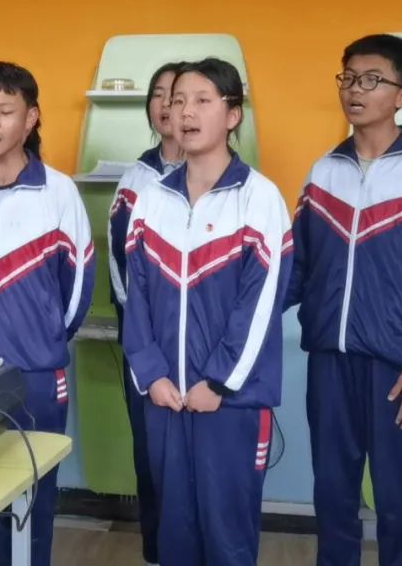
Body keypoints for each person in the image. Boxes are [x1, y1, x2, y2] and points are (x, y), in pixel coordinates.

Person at [287, 34, 402, 566]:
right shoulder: (324, 171)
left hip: (396, 364)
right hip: (329, 360)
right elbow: (297, 266)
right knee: (332, 491)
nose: (354, 90)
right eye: (347, 78)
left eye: (371, 80)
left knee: (399, 495)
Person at [123, 58, 291, 565]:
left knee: (227, 535)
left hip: (230, 402)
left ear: (233, 115)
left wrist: (218, 382)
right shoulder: (152, 200)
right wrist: (151, 374)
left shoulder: (258, 198)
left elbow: (260, 305)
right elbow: (136, 298)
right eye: (177, 101)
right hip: (166, 397)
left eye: (201, 100)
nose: (185, 112)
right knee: (174, 532)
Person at [0, 61, 95, 566]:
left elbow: (78, 284)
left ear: (31, 118)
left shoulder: (58, 192)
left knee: (33, 500)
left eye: (5, 111)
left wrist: (44, 339)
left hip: (36, 375)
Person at [107, 60, 185, 566]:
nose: (166, 104)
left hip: (201, 347)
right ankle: (156, 553)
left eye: (176, 94)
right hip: (145, 346)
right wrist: (140, 334)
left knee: (199, 461)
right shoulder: (135, 180)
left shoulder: (222, 177)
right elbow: (120, 266)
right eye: (158, 94)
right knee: (152, 455)